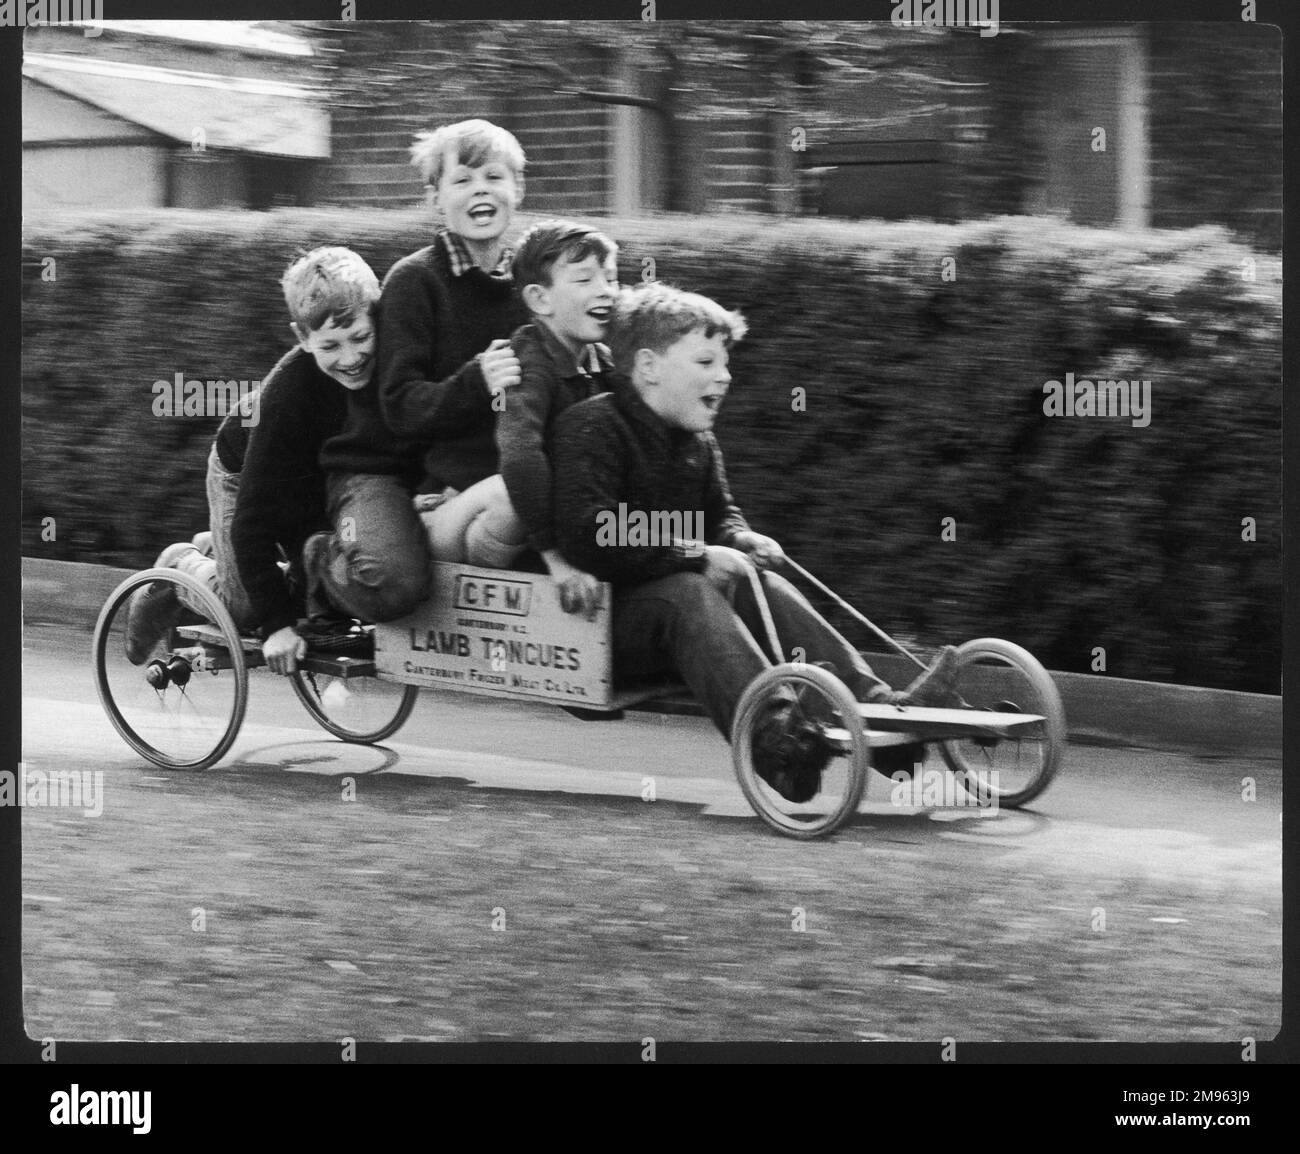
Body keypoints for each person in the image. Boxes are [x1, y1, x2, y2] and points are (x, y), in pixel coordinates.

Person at [551, 281, 958, 802]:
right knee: (690, 592)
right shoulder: (594, 427)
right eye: (705, 362)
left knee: (753, 576)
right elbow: (593, 529)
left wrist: (739, 538)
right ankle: (776, 741)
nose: (724, 376)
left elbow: (719, 518)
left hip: (673, 619)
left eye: (725, 364)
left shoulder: (698, 443)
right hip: (599, 625)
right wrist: (694, 553)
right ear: (648, 367)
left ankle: (883, 717)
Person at [305, 119, 530, 624]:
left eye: (494, 177)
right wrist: (477, 381)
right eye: (462, 180)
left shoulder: (531, 285)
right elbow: (401, 407)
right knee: (396, 580)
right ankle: (322, 563)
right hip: (415, 478)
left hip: (484, 479)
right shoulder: (416, 281)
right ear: (435, 197)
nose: (481, 191)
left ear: (518, 189)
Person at [124, 246, 383, 675]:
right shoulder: (285, 397)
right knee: (246, 612)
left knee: (320, 580)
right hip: (243, 470)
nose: (351, 358)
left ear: (377, 316)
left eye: (360, 337)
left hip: (315, 471)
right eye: (330, 346)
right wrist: (277, 626)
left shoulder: (390, 356)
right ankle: (181, 567)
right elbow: (253, 521)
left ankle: (220, 552)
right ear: (302, 339)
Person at [416, 218, 617, 617]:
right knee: (514, 489)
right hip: (459, 520)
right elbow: (520, 453)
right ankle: (507, 595)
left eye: (611, 279)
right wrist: (555, 559)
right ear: (540, 300)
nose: (606, 292)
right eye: (585, 280)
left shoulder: (601, 363)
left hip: (521, 523)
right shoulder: (526, 358)